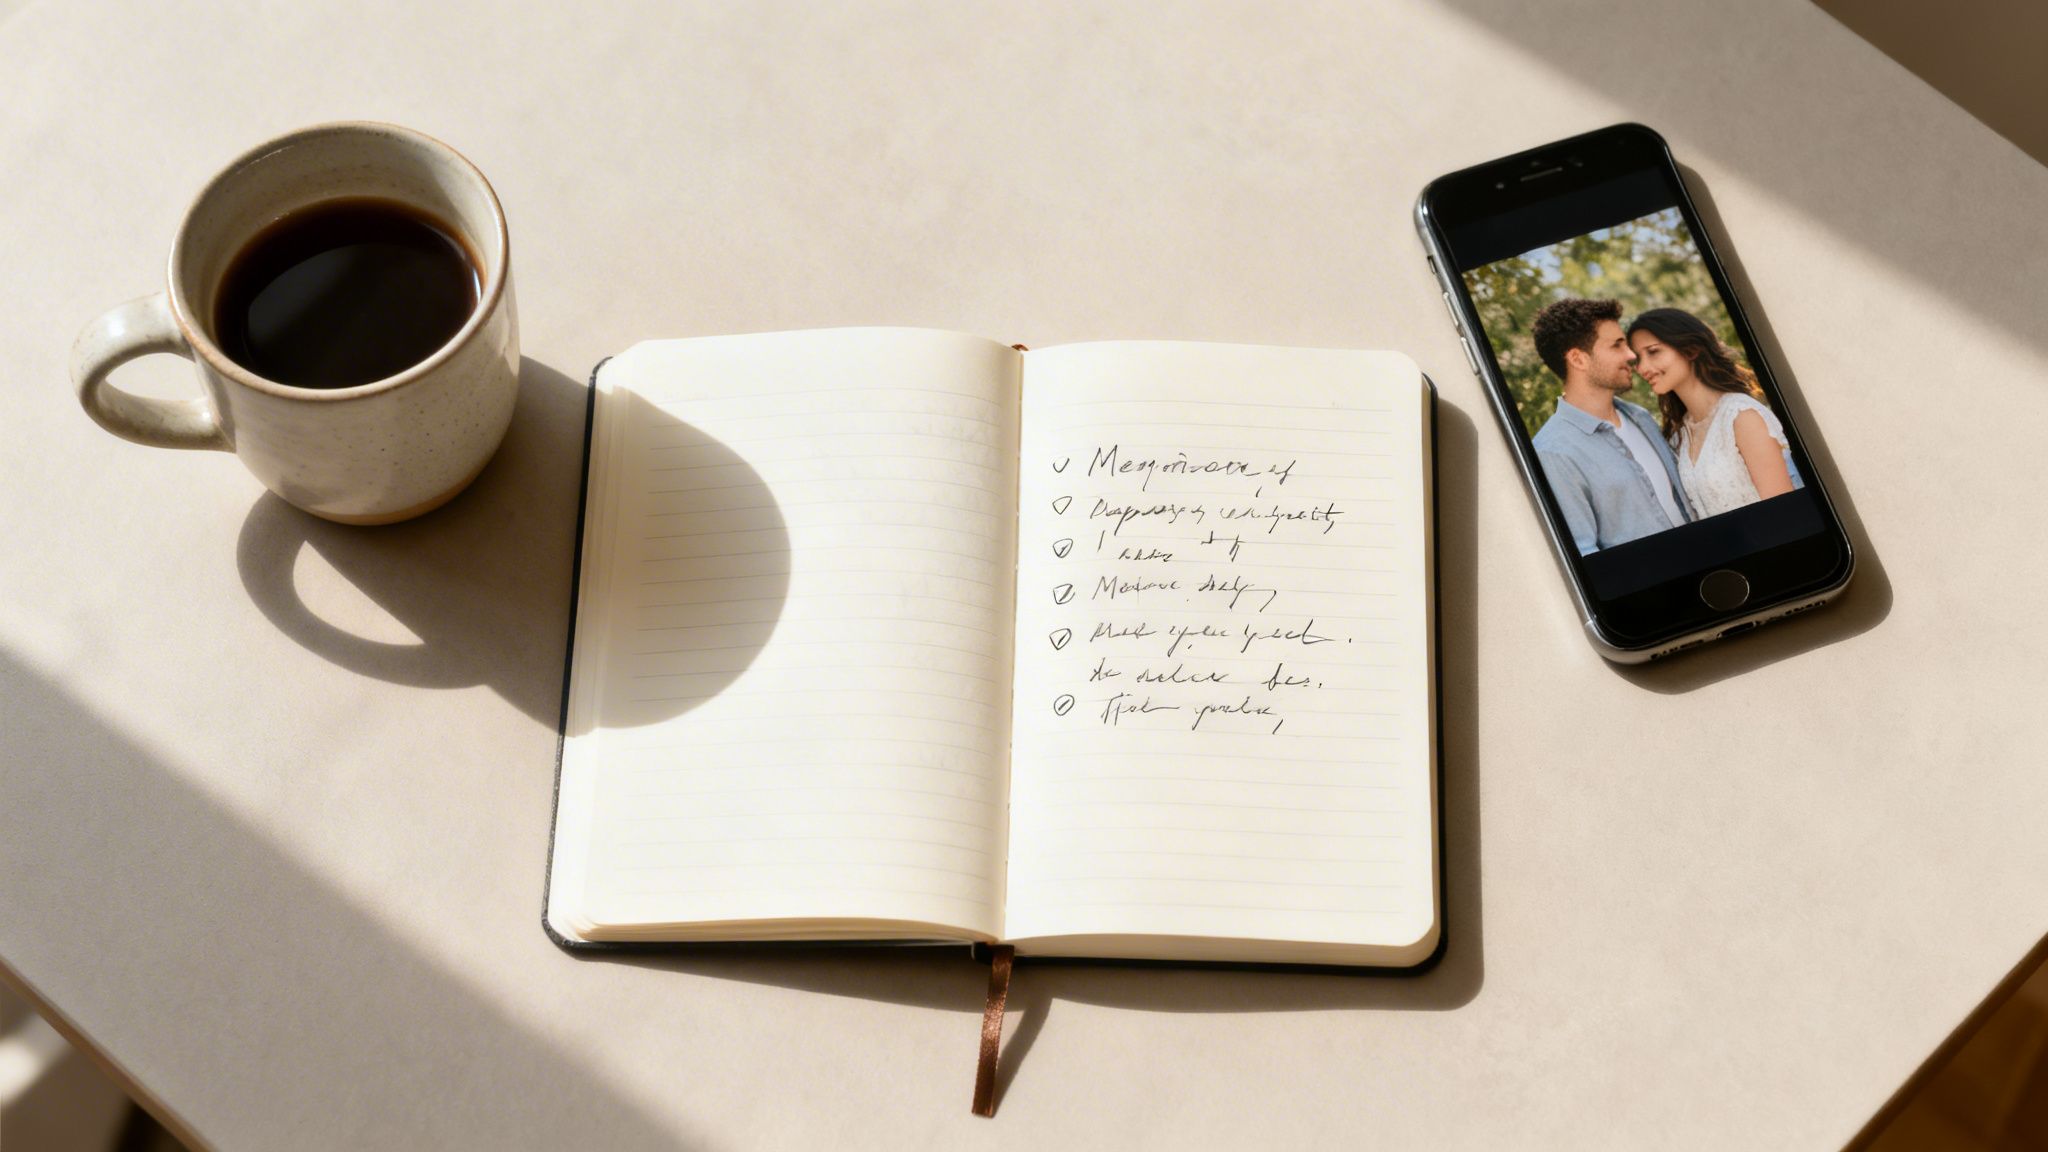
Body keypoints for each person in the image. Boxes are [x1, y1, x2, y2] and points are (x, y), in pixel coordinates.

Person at [1529, 298, 1689, 554]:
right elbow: (1584, 552)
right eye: (1617, 346)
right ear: (1578, 359)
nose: (1631, 355)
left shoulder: (1640, 417)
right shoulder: (1552, 453)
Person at [1625, 308, 1801, 519]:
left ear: (1690, 349)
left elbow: (1787, 514)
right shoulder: (1679, 435)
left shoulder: (1742, 417)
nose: (1642, 368)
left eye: (1653, 351)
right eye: (1637, 359)